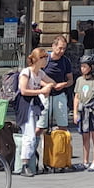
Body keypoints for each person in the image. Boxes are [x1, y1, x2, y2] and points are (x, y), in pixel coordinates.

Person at [15, 47, 55, 176]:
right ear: (38, 59)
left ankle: (27, 163)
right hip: (25, 105)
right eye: (44, 58)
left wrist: (48, 85)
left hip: (34, 106)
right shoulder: (26, 72)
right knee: (29, 135)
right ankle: (24, 165)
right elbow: (23, 91)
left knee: (31, 135)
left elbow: (52, 82)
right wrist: (41, 91)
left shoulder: (40, 73)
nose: (46, 61)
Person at [38, 35, 73, 130]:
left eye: (64, 49)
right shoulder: (45, 59)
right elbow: (36, 77)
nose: (62, 51)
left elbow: (70, 80)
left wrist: (64, 84)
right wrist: (47, 86)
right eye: (60, 48)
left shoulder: (66, 61)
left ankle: (60, 144)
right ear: (53, 46)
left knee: (63, 126)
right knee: (40, 126)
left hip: (59, 95)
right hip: (45, 95)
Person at [73, 55, 94, 170]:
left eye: (85, 66)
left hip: (93, 110)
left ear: (91, 67)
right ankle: (85, 161)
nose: (82, 69)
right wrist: (75, 113)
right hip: (83, 110)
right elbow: (77, 96)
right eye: (82, 66)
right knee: (85, 136)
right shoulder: (79, 80)